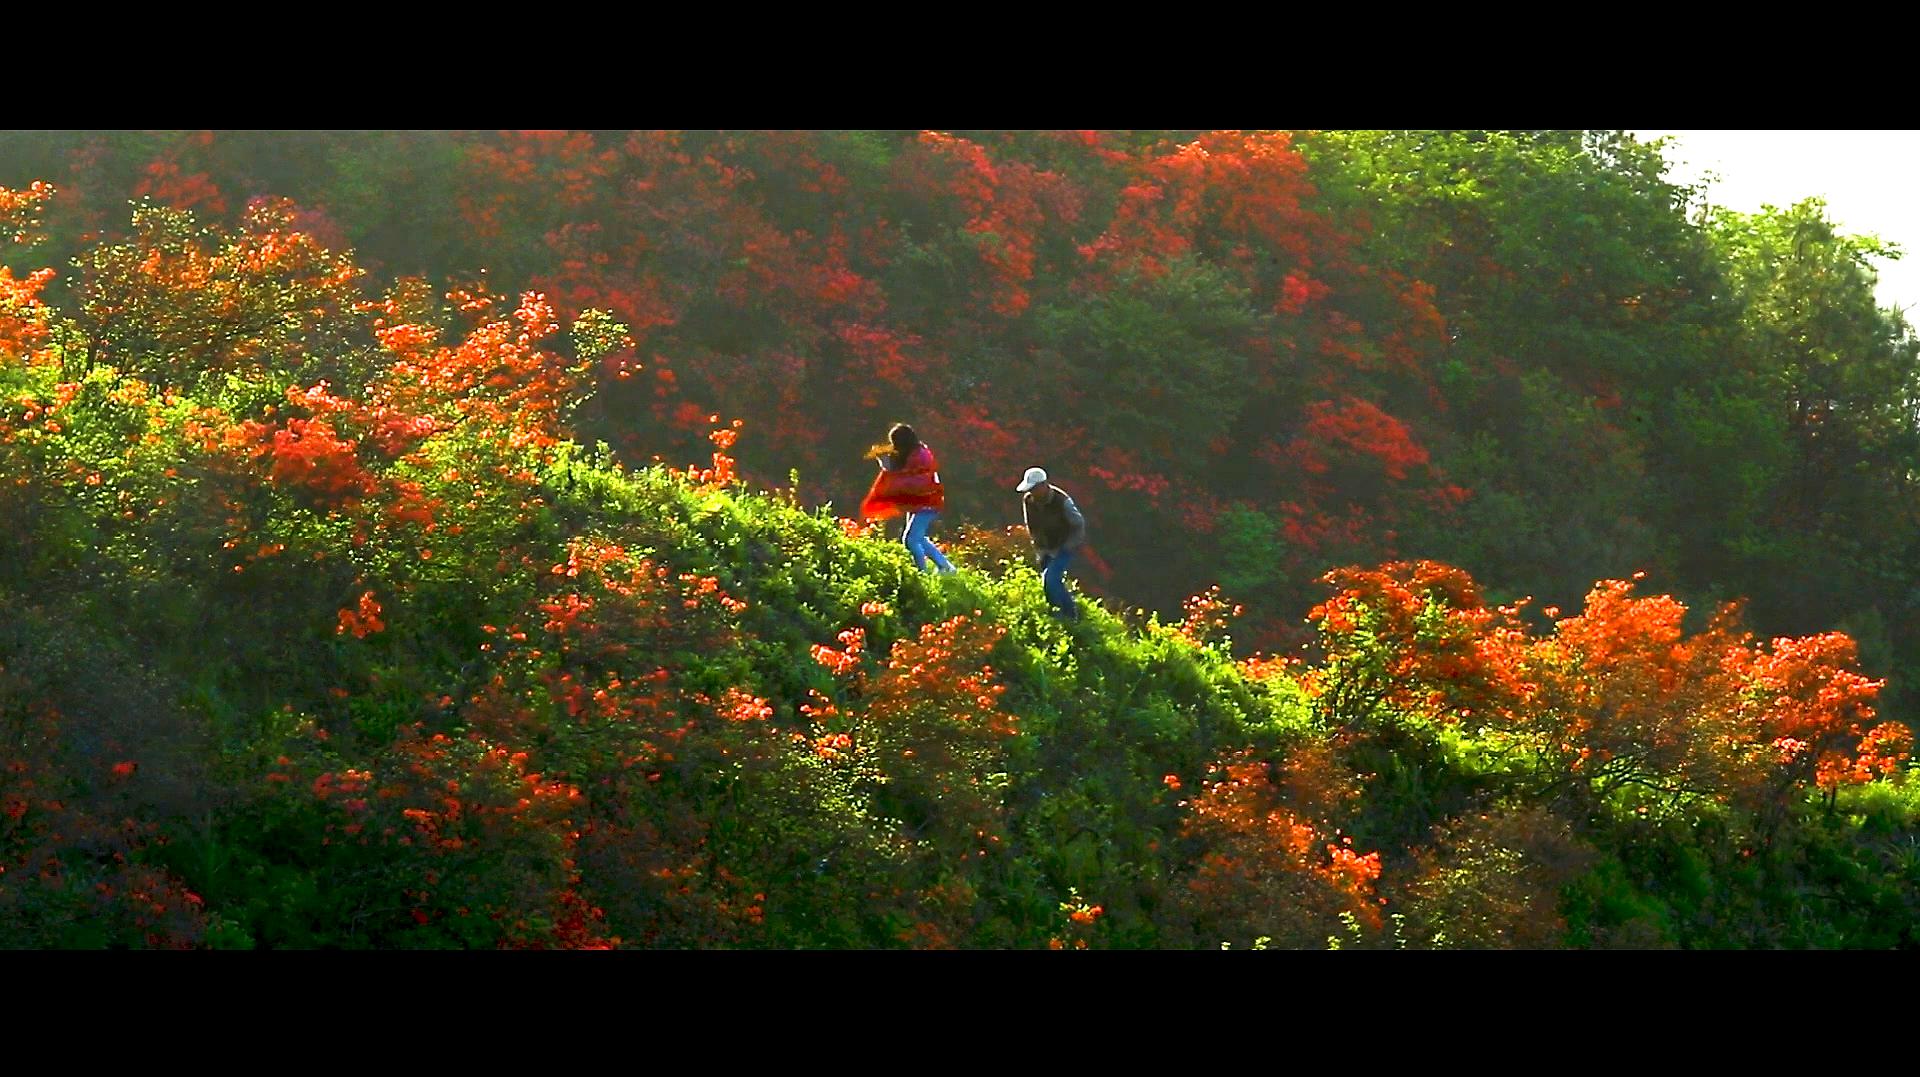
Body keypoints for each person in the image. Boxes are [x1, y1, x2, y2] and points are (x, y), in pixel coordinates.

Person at [859, 423, 956, 574]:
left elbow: (912, 479)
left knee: (910, 540)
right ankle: (945, 567)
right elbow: (899, 473)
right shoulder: (912, 454)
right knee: (918, 538)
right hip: (918, 503)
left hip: (928, 503)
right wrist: (884, 461)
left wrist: (893, 476)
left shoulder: (921, 456)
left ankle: (923, 573)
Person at [1017, 467, 1085, 620]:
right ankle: (1072, 615)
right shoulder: (1028, 501)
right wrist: (1039, 549)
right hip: (1045, 547)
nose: (1031, 492)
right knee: (1051, 582)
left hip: (1065, 546)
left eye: (1034, 488)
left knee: (1050, 578)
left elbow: (1078, 524)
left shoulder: (1062, 501)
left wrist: (1068, 547)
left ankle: (1059, 617)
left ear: (1043, 485)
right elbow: (1031, 526)